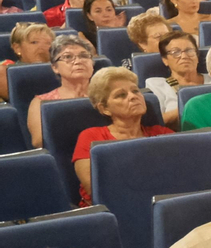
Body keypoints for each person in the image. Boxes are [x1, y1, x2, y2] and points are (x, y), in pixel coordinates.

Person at [70, 67, 175, 205]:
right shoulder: (91, 137)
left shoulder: (162, 133)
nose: (133, 96)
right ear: (104, 109)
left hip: (158, 205)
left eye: (135, 90)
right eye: (121, 95)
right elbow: (94, 188)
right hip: (109, 212)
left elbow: (179, 176)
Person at [26, 34, 96, 148]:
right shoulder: (41, 103)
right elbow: (39, 142)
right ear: (55, 67)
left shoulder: (106, 96)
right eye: (68, 57)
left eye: (84, 56)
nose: (78, 61)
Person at [144, 31, 206, 127]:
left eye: (189, 50)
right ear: (165, 60)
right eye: (175, 52)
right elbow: (157, 122)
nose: (184, 56)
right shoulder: (157, 85)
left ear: (197, 56)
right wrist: (196, 106)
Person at [0, 22, 52, 103]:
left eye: (48, 43)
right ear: (17, 48)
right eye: (34, 42)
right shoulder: (4, 72)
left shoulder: (62, 69)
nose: (42, 47)